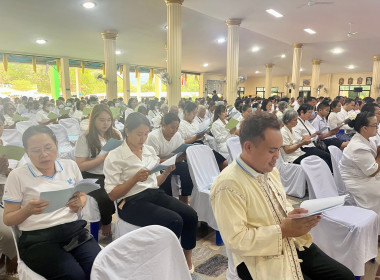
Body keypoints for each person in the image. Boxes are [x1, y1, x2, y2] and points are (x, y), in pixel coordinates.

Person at [210, 112, 355, 280]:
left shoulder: (271, 172)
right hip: (254, 257)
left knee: (345, 277)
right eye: (272, 151)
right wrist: (282, 230)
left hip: (289, 239)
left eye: (278, 150)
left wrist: (298, 217)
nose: (277, 157)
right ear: (248, 147)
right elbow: (236, 240)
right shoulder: (228, 185)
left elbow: (282, 205)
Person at [104, 112, 198, 273]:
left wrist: (166, 172)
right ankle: (166, 265)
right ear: (127, 131)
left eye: (146, 133)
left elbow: (155, 182)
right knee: (174, 221)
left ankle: (186, 261)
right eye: (139, 134)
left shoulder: (148, 150)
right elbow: (112, 195)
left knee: (190, 215)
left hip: (153, 193)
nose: (143, 138)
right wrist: (134, 179)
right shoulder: (115, 156)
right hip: (129, 202)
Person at [3, 125, 101, 279]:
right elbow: (8, 219)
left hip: (74, 231)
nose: (44, 155)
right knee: (75, 276)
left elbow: (81, 195)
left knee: (99, 269)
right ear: (27, 151)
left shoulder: (70, 166)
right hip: (38, 240)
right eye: (36, 150)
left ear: (56, 143)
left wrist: (79, 203)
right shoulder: (17, 176)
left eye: (48, 147)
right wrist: (27, 210)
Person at [75, 104, 122, 237]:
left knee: (128, 188)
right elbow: (80, 165)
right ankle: (106, 222)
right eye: (101, 120)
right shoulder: (85, 138)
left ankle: (119, 222)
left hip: (111, 172)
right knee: (105, 195)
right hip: (91, 175)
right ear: (93, 120)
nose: (106, 123)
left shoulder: (115, 133)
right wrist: (102, 158)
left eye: (108, 120)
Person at [340, 112, 380, 220]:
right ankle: (375, 228)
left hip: (363, 174)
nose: (377, 127)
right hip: (358, 181)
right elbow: (372, 171)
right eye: (375, 125)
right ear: (365, 128)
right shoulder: (358, 146)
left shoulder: (367, 139)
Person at [146, 113, 193, 204]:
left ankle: (184, 200)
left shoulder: (177, 135)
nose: (174, 130)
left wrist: (183, 154)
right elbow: (153, 160)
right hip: (158, 165)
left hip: (172, 161)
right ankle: (168, 201)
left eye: (177, 127)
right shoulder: (154, 137)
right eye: (172, 127)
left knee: (186, 168)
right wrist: (172, 160)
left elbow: (179, 151)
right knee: (166, 175)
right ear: (164, 125)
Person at [178, 102, 227, 170]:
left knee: (224, 162)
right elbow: (182, 143)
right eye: (224, 112)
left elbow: (234, 133)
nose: (226, 114)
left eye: (226, 111)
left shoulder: (228, 122)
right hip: (192, 147)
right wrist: (197, 137)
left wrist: (202, 135)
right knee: (214, 164)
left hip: (202, 144)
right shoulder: (181, 124)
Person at [294, 104, 333, 171]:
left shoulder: (306, 121)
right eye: (309, 112)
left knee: (329, 153)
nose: (310, 115)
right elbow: (298, 138)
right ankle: (331, 173)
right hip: (304, 147)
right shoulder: (296, 122)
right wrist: (310, 136)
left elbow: (311, 131)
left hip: (312, 143)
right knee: (327, 156)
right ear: (302, 112)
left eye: (311, 112)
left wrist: (316, 133)